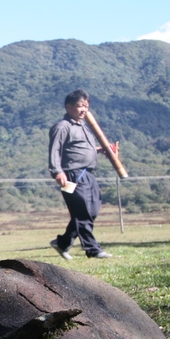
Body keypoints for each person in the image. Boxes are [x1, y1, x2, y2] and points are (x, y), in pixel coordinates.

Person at [48, 89, 112, 260]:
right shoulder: (62, 127)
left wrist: (101, 150)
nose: (84, 110)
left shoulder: (84, 126)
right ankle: (92, 249)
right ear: (69, 107)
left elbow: (83, 149)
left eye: (86, 106)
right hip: (72, 175)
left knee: (92, 210)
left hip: (88, 174)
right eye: (80, 106)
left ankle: (63, 242)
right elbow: (55, 149)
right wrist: (57, 171)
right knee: (82, 211)